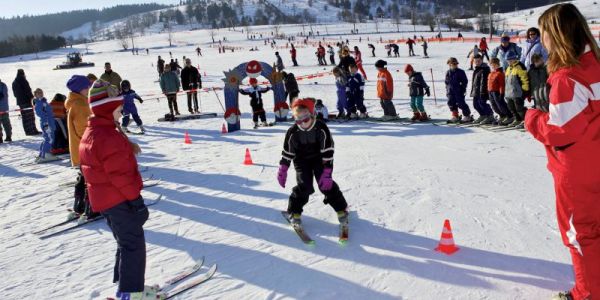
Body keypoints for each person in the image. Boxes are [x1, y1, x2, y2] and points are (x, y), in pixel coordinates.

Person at [524, 4, 600, 300]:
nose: (542, 39)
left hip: (578, 170)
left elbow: (560, 130)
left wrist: (532, 117)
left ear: (556, 35)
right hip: (594, 159)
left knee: (580, 234)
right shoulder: (594, 64)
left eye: (544, 33)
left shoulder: (569, 76)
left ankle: (587, 293)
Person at [78, 80, 155, 300]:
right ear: (107, 109)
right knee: (133, 245)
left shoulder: (96, 130)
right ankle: (130, 293)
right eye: (119, 109)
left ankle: (126, 286)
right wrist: (136, 201)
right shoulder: (107, 136)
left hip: (107, 200)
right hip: (117, 199)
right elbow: (120, 175)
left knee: (126, 243)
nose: (122, 114)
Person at [277, 98, 348, 228]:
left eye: (305, 119)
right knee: (305, 186)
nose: (302, 123)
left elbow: (327, 152)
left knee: (325, 185)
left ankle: (341, 209)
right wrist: (283, 169)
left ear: (312, 114)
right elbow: (288, 152)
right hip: (301, 160)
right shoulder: (292, 132)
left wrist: (327, 172)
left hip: (319, 158)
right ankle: (294, 212)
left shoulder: (321, 128)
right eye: (298, 119)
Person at [65, 75, 97, 221]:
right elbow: (84, 129)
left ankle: (79, 206)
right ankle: (92, 208)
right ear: (81, 89)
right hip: (86, 149)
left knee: (84, 177)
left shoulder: (75, 102)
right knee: (92, 178)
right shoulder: (80, 105)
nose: (89, 90)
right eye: (87, 87)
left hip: (80, 149)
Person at [504, 50, 529, 128]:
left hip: (518, 92)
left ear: (515, 58)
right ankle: (517, 119)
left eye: (511, 59)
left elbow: (524, 78)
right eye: (508, 60)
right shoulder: (508, 68)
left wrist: (525, 90)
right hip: (509, 92)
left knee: (519, 108)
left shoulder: (520, 66)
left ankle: (526, 120)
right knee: (511, 108)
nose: (510, 61)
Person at [32, 88, 58, 163]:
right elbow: (40, 113)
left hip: (49, 121)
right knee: (50, 138)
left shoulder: (43, 102)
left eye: (41, 92)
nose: (41, 94)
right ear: (35, 95)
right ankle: (46, 153)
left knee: (47, 138)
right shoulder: (39, 103)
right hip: (47, 123)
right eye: (38, 93)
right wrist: (46, 123)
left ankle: (42, 154)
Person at [12, 69, 40, 136]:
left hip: (20, 102)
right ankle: (33, 130)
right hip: (26, 101)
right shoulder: (23, 80)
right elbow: (28, 90)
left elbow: (15, 94)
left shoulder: (14, 82)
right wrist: (31, 97)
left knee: (24, 117)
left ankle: (27, 132)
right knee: (30, 116)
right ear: (23, 73)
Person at [487, 58, 514, 125]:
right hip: (491, 92)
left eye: (494, 65)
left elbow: (502, 85)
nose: (493, 66)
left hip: (497, 92)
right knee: (494, 106)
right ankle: (502, 116)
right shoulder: (491, 73)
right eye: (492, 65)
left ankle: (509, 116)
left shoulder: (500, 73)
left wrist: (501, 93)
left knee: (500, 105)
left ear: (497, 64)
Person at [444, 57, 472, 123]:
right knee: (451, 103)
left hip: (458, 91)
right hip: (450, 91)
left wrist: (462, 89)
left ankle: (467, 115)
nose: (454, 65)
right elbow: (446, 82)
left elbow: (465, 81)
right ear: (449, 64)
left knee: (461, 103)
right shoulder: (448, 72)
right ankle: (455, 116)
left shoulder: (460, 72)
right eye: (452, 64)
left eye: (455, 64)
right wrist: (447, 89)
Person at [470, 55, 494, 124]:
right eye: (475, 61)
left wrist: (483, 91)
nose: (477, 62)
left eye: (479, 61)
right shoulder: (477, 69)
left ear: (482, 60)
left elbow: (484, 82)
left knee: (482, 103)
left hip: (482, 91)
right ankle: (483, 115)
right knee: (475, 105)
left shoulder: (485, 69)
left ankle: (490, 115)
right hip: (476, 90)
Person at [0, 79, 12, 143]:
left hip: (3, 108)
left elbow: (4, 96)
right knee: (6, 123)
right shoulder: (3, 85)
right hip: (4, 108)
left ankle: (4, 137)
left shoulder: (3, 85)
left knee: (6, 123)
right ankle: (8, 136)